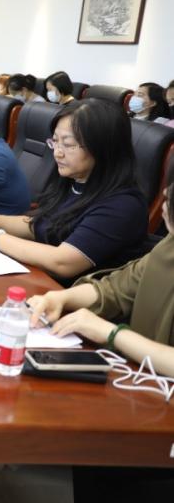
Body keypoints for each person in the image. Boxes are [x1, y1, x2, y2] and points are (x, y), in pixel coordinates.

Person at [28, 173, 174, 503]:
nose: (164, 201)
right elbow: (117, 287)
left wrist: (111, 333)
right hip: (145, 393)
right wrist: (63, 298)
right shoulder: (168, 247)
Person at [0, 101, 147, 283]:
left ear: (103, 148)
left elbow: (63, 262)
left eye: (68, 144)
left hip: (70, 300)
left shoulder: (122, 205)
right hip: (39, 279)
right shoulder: (73, 181)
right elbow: (38, 226)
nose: (57, 152)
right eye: (55, 141)